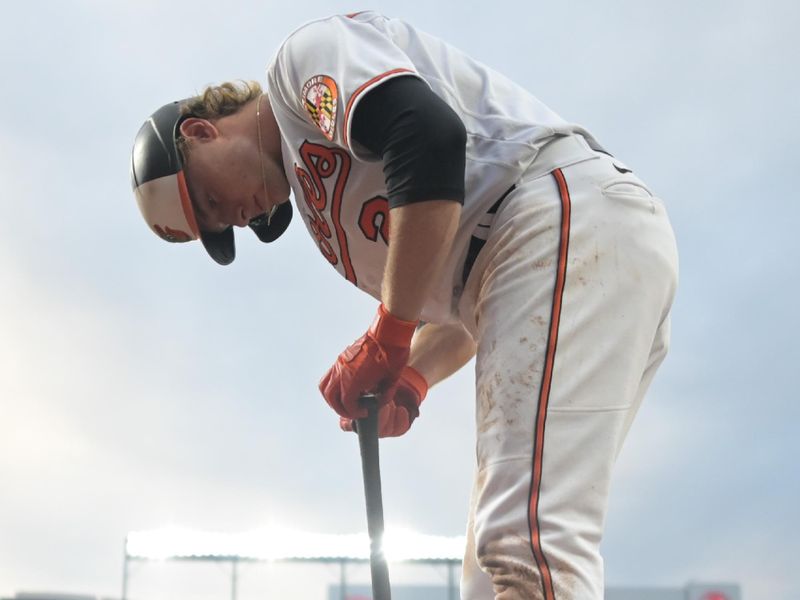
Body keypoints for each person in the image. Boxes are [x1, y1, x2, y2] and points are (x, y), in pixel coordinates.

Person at [130, 11, 678, 599]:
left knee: (527, 545)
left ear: (199, 132)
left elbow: (428, 136)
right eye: (219, 227)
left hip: (558, 212)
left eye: (211, 200)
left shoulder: (298, 66)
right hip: (541, 251)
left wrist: (386, 335)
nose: (234, 219)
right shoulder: (323, 217)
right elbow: (476, 299)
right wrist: (412, 375)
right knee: (490, 579)